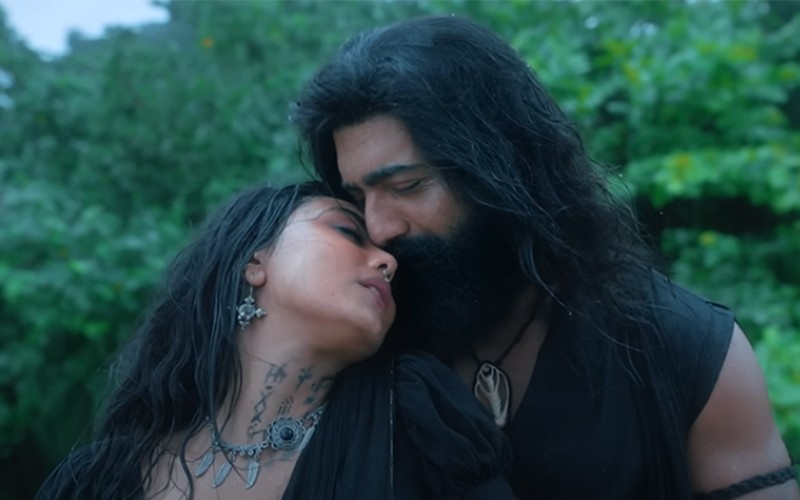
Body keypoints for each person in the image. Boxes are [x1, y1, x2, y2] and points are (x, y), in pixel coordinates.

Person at [293, 15, 800, 499]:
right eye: (357, 198)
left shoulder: (685, 347)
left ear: (500, 170)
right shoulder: (360, 343)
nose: (380, 228)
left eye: (407, 186)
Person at [35, 181, 514, 500]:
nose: (388, 262)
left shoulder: (417, 417)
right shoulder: (96, 481)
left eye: (389, 257)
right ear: (254, 262)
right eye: (348, 231)